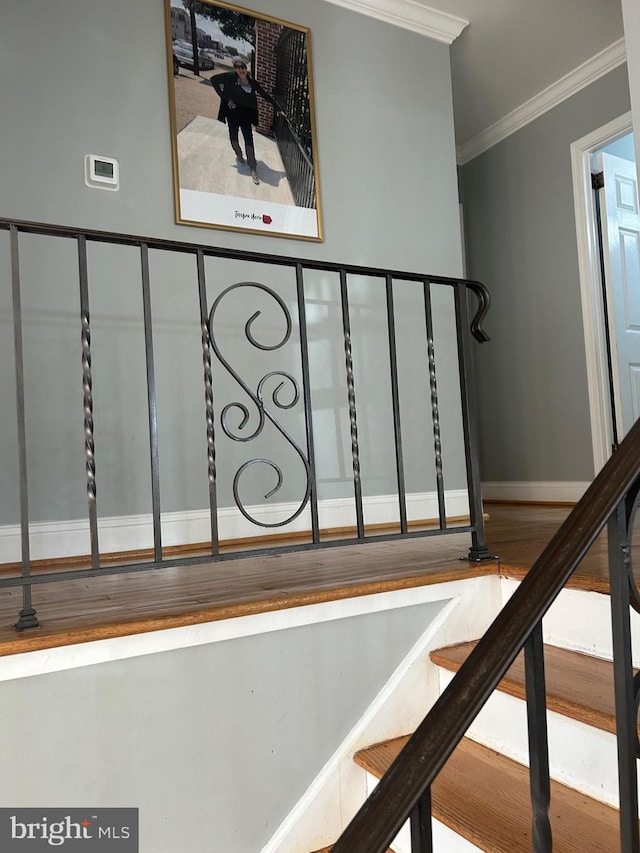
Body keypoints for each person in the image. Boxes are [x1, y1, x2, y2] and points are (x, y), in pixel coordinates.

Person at [211, 57, 284, 186]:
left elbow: (265, 95)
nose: (241, 70)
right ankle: (239, 154)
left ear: (246, 68)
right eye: (238, 67)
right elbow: (213, 80)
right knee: (234, 139)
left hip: (246, 116)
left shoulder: (252, 83)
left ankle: (253, 168)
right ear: (235, 69)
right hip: (232, 115)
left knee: (249, 141)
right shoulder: (230, 77)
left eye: (243, 67)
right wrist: (226, 99)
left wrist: (278, 108)